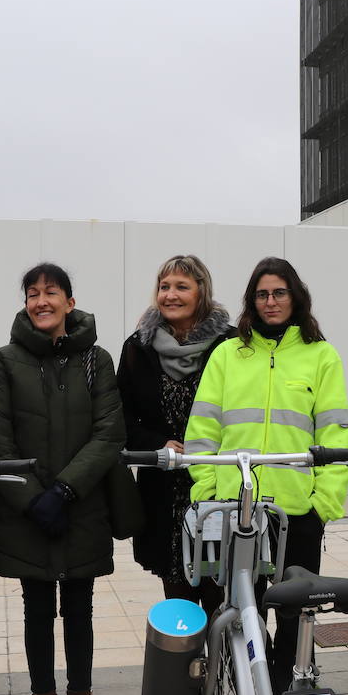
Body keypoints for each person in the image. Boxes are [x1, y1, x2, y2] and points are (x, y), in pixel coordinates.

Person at [184, 257, 348, 695]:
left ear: (295, 297)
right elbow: (202, 430)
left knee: (295, 617)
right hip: (237, 511)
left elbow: (335, 435)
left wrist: (323, 504)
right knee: (245, 611)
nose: (271, 302)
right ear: (251, 301)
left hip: (298, 511)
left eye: (279, 293)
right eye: (262, 294)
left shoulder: (321, 355)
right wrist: (208, 491)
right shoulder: (227, 354)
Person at [0, 263, 124, 695]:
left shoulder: (97, 360)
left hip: (81, 506)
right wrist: (34, 498)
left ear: (69, 301)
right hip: (27, 512)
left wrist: (63, 491)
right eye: (32, 294)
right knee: (36, 611)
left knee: (79, 611)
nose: (41, 301)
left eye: (51, 292)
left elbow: (109, 433)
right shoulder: (5, 361)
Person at [116, 254, 234, 617]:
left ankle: (222, 655)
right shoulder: (138, 347)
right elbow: (121, 417)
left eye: (182, 286)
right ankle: (185, 655)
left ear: (202, 292)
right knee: (178, 597)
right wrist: (157, 444)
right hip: (164, 488)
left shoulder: (230, 345)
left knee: (220, 590)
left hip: (217, 481)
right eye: (164, 286)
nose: (170, 295)